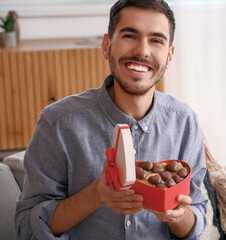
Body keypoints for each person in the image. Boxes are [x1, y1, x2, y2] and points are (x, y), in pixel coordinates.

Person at [15, 0, 208, 239]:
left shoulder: (184, 121)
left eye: (156, 40)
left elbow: (196, 219)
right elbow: (26, 228)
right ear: (107, 46)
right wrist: (97, 194)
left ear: (169, 56)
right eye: (130, 36)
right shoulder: (58, 123)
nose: (142, 51)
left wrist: (176, 215)